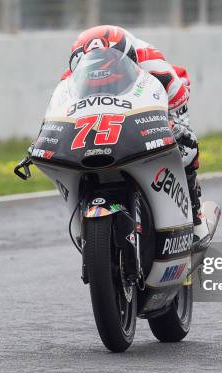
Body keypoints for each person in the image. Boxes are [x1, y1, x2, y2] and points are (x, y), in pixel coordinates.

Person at [61, 25, 209, 244]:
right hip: (102, 111)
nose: (100, 74)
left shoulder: (155, 67)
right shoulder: (70, 77)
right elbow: (60, 111)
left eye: (106, 70)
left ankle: (195, 214)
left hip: (158, 99)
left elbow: (179, 108)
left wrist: (174, 126)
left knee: (187, 146)